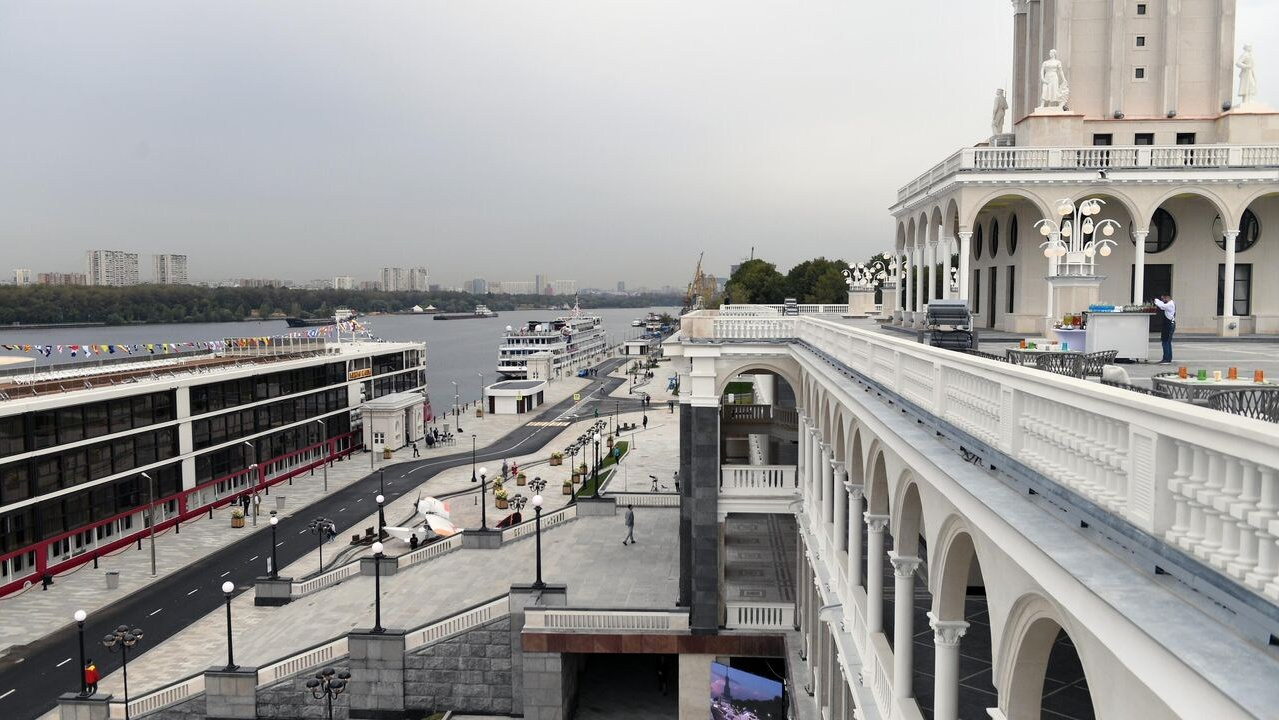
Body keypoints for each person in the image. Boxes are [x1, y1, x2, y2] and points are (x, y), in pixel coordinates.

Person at [1153, 294, 1176, 364]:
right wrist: (1158, 300)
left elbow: (1162, 306)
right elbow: (1162, 304)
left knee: (1165, 342)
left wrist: (1156, 301)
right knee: (1167, 342)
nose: (1163, 300)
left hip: (1169, 325)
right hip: (1169, 324)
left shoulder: (1170, 304)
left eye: (1163, 299)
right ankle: (1168, 358)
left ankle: (1166, 358)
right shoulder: (1170, 303)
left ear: (1167, 298)